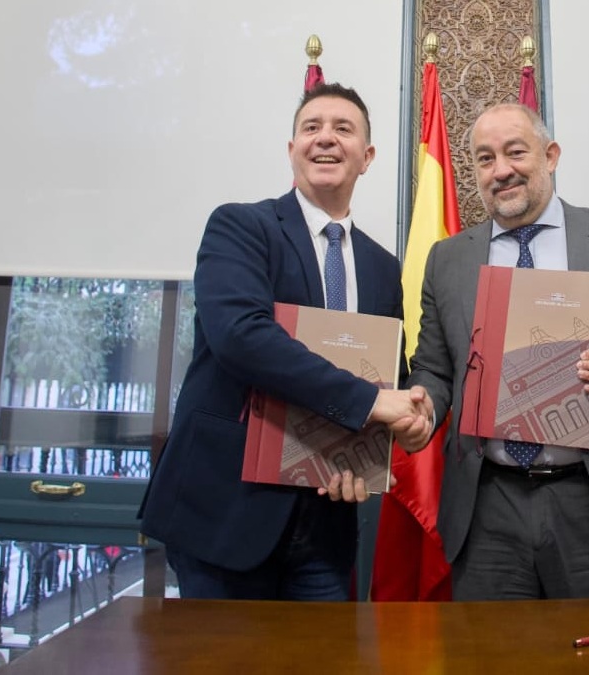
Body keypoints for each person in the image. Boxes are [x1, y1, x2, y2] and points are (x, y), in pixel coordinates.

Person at [401, 102, 589, 600]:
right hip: (487, 508)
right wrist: (424, 409)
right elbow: (435, 370)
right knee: (492, 649)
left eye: (515, 152)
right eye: (485, 159)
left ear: (550, 155)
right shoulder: (448, 260)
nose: (501, 170)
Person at [139, 83, 429, 600]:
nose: (326, 138)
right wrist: (371, 402)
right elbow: (242, 337)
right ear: (292, 149)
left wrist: (404, 426)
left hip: (326, 521)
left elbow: (387, 376)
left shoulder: (384, 268)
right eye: (311, 128)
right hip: (226, 511)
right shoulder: (240, 227)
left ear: (367, 157)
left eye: (343, 129)